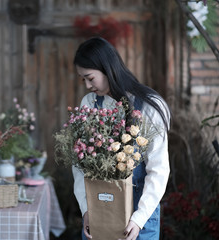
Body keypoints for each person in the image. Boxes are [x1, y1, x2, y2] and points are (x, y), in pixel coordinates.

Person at [72, 37, 171, 240]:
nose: (88, 85)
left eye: (90, 78)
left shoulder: (149, 106)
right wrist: (86, 210)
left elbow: (159, 170)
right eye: (83, 80)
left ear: (107, 68)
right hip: (98, 209)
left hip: (139, 214)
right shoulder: (89, 104)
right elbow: (79, 165)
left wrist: (139, 219)